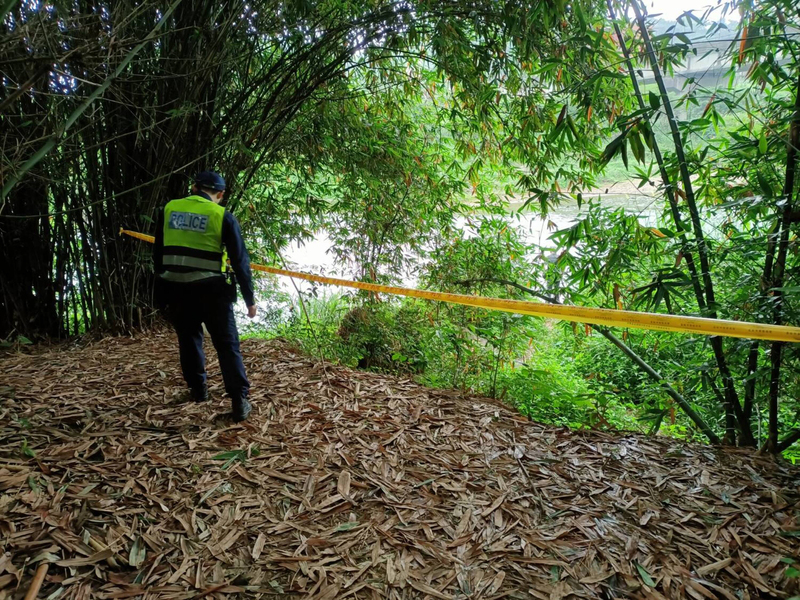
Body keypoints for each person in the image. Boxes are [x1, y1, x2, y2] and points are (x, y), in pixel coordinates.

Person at [153, 170, 256, 422]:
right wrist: (249, 299)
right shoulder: (221, 216)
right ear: (220, 195)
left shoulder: (169, 209)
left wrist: (161, 286)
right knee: (227, 344)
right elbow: (240, 262)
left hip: (175, 288)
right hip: (212, 291)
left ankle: (198, 390)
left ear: (193, 188)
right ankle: (238, 400)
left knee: (188, 339)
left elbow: (157, 254)